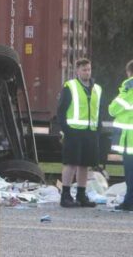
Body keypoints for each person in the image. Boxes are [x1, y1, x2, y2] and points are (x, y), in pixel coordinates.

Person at [57, 58, 103, 208]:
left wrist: (98, 130)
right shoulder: (70, 87)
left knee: (85, 165)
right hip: (73, 132)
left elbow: (99, 111)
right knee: (71, 163)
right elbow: (61, 111)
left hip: (90, 132)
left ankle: (81, 195)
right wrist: (66, 130)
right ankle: (65, 196)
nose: (87, 72)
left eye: (89, 69)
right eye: (84, 70)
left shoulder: (97, 88)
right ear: (77, 71)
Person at [108, 59, 133, 211]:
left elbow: (113, 109)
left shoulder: (128, 87)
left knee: (130, 173)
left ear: (129, 72)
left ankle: (129, 202)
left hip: (129, 140)